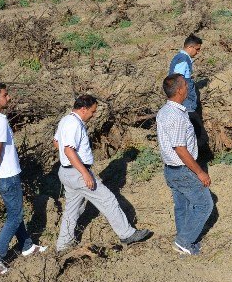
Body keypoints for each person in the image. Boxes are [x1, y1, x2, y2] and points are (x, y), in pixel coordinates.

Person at [53, 95, 151, 252]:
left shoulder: (65, 120)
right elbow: (68, 150)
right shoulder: (74, 124)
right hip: (78, 173)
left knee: (71, 209)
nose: (93, 115)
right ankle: (127, 234)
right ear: (83, 109)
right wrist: (85, 173)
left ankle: (63, 245)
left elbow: (56, 142)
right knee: (108, 200)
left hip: (66, 172)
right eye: (92, 111)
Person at [0, 82, 47, 275]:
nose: (8, 98)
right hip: (7, 175)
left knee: (14, 211)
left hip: (0, 175)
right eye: (5, 95)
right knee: (15, 216)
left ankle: (27, 247)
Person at [156, 73, 213, 255]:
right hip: (182, 169)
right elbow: (181, 149)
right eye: (186, 85)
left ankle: (184, 240)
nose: (188, 88)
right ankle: (184, 241)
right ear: (180, 90)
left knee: (183, 206)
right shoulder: (177, 116)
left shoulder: (164, 111)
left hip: (170, 170)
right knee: (205, 204)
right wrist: (200, 173)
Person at [168, 34, 211, 162]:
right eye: (197, 49)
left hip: (185, 102)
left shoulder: (181, 58)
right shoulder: (183, 59)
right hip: (186, 104)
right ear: (190, 47)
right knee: (196, 133)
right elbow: (178, 81)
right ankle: (197, 160)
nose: (198, 52)